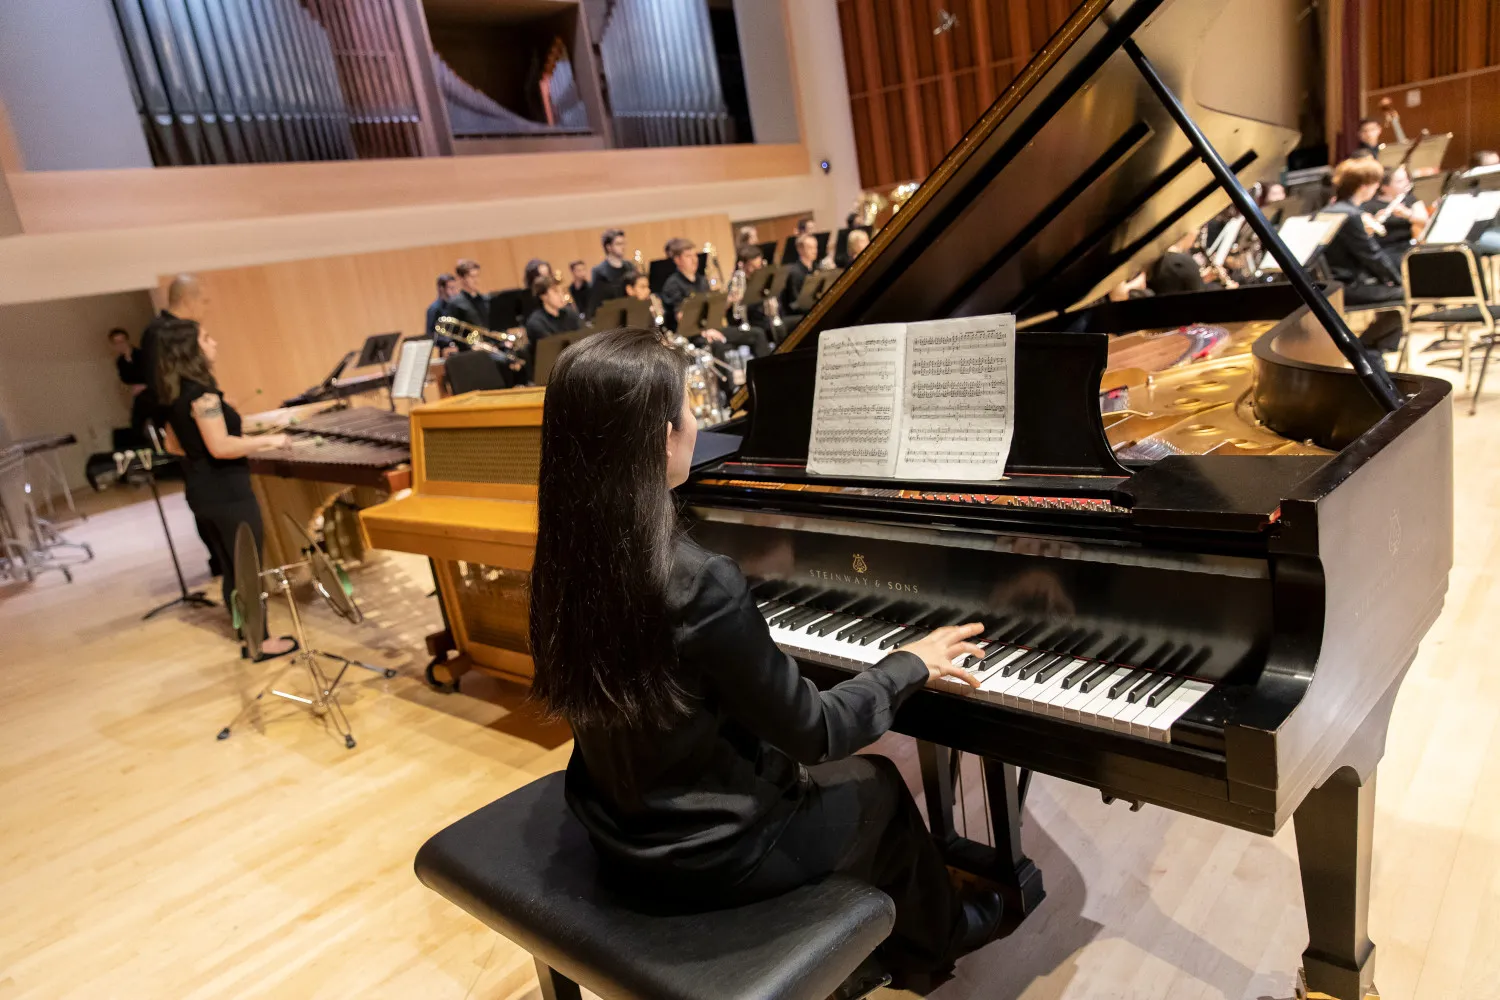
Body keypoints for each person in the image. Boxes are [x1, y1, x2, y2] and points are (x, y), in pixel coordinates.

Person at [528, 328, 1004, 986]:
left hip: (618, 827)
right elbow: (817, 732)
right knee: (882, 788)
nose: (698, 422)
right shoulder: (695, 578)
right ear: (661, 438)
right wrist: (907, 662)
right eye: (688, 408)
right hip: (713, 857)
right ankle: (937, 942)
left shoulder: (563, 552)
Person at [155, 319, 296, 660]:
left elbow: (173, 446)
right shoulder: (202, 395)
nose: (214, 342)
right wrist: (271, 440)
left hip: (201, 491)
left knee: (233, 566)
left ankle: (244, 630)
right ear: (192, 349)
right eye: (206, 338)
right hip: (228, 492)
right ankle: (259, 642)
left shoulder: (174, 394)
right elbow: (220, 446)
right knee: (248, 566)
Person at [1323, 157, 1405, 356]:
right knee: (1407, 295)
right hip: (1348, 286)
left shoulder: (1329, 210)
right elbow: (1372, 255)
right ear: (1364, 186)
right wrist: (1396, 280)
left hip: (1332, 283)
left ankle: (1373, 351)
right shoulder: (1350, 215)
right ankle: (1367, 350)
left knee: (1396, 298)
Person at [660, 238, 724, 345]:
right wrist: (704, 332)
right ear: (677, 260)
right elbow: (681, 317)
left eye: (695, 255)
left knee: (755, 333)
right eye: (688, 256)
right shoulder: (672, 284)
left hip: (707, 329)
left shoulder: (702, 280)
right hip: (687, 336)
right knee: (718, 344)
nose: (694, 260)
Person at [1360, 165, 1429, 254]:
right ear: (1384, 187)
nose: (1406, 183)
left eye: (1406, 179)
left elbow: (1426, 221)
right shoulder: (1369, 205)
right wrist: (1375, 221)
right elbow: (1363, 232)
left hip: (1407, 248)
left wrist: (1408, 214)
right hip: (1382, 250)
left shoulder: (1409, 199)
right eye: (1400, 181)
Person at [109, 327, 151, 443]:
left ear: (127, 341)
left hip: (151, 391)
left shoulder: (142, 355)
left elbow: (152, 373)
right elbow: (126, 379)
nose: (120, 345)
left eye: (122, 341)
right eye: (116, 343)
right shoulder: (121, 362)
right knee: (136, 422)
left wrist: (144, 385)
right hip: (141, 394)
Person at [780, 233, 820, 319]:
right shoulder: (794, 273)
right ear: (800, 250)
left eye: (815, 247)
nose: (815, 251)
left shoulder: (816, 268)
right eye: (810, 248)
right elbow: (795, 303)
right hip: (799, 314)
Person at [590, 230, 630, 313]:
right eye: (618, 244)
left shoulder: (630, 267)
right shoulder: (599, 271)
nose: (623, 247)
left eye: (623, 243)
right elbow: (597, 300)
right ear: (609, 247)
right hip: (612, 313)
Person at [446, 259, 489, 332]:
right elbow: (452, 332)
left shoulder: (485, 300)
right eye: (472, 277)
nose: (476, 280)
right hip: (473, 343)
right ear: (461, 279)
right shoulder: (455, 304)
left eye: (477, 276)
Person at [425, 273, 458, 345]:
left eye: (455, 288)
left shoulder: (456, 306)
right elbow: (430, 335)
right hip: (446, 349)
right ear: (441, 289)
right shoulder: (434, 309)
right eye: (451, 288)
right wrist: (450, 341)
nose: (455, 292)